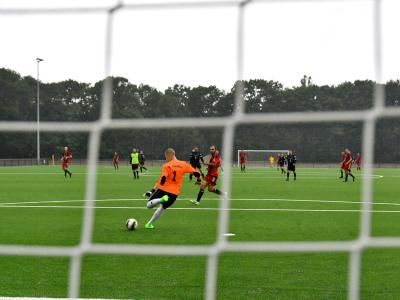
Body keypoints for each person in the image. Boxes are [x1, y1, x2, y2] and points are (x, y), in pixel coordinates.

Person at [144, 148, 201, 229]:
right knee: (162, 208)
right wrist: (198, 178)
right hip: (174, 192)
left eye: (166, 157)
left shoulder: (167, 165)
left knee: (148, 205)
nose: (166, 159)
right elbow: (196, 173)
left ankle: (160, 200)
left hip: (163, 189)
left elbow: (163, 177)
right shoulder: (183, 164)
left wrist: (153, 190)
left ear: (169, 155)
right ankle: (149, 224)